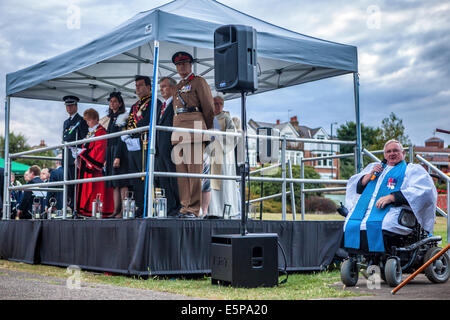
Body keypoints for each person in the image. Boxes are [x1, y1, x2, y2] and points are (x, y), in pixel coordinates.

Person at [343, 139, 437, 253]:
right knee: (351, 223)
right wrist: (370, 175)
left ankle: (385, 255)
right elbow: (357, 187)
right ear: (384, 155)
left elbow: (422, 190)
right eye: (388, 151)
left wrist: (392, 197)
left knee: (384, 223)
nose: (392, 154)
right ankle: (357, 257)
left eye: (395, 151)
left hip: (393, 208)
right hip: (367, 209)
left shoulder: (411, 169)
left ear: (403, 153)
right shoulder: (376, 168)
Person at [170, 51, 215, 218]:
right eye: (178, 65)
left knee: (194, 171)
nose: (181, 67)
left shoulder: (198, 81)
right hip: (179, 130)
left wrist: (206, 129)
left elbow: (209, 108)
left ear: (190, 65)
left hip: (195, 128)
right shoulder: (177, 87)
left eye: (184, 64)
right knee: (182, 173)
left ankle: (194, 209)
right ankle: (185, 206)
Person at [123, 75, 162, 218]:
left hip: (145, 144)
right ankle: (140, 206)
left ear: (149, 87)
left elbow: (147, 122)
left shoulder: (154, 102)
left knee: (145, 176)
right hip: (134, 145)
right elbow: (130, 123)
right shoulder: (134, 106)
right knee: (136, 178)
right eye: (136, 85)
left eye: (140, 85)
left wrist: (134, 132)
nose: (137, 88)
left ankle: (148, 207)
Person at [76, 108, 114, 218]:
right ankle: (86, 211)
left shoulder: (101, 132)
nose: (88, 123)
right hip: (87, 167)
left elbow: (99, 150)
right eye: (87, 120)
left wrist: (83, 154)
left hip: (95, 170)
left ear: (96, 119)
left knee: (96, 192)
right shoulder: (91, 132)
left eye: (89, 120)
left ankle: (95, 212)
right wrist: (79, 156)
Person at [207, 96, 240, 218]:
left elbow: (233, 137)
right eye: (216, 103)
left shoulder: (226, 118)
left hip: (223, 157)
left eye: (221, 104)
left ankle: (225, 211)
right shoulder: (208, 117)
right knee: (211, 183)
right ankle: (213, 211)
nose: (218, 106)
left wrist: (217, 138)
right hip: (210, 156)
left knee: (223, 185)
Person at [155, 77, 181, 217]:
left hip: (172, 148)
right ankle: (170, 208)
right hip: (161, 149)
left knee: (174, 179)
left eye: (164, 86)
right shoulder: (162, 106)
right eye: (161, 86)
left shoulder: (177, 104)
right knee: (165, 180)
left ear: (172, 88)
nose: (161, 89)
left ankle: (178, 207)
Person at [104, 92, 130, 218]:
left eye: (115, 101)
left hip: (120, 151)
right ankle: (116, 210)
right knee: (114, 183)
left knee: (122, 182)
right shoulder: (111, 118)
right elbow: (108, 139)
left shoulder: (123, 116)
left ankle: (124, 210)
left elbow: (122, 137)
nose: (112, 104)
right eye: (110, 101)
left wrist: (118, 156)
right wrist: (106, 158)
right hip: (110, 151)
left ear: (120, 103)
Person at [62, 95, 89, 212]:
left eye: (71, 105)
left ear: (76, 106)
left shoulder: (81, 120)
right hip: (67, 155)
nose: (69, 108)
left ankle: (76, 206)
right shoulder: (66, 122)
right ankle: (70, 204)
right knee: (68, 183)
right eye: (67, 106)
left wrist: (79, 156)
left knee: (75, 182)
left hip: (75, 156)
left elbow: (84, 138)